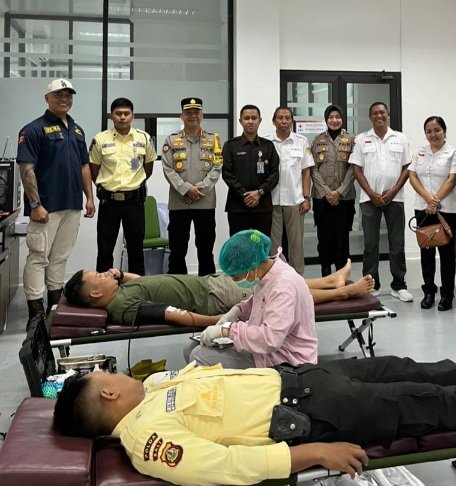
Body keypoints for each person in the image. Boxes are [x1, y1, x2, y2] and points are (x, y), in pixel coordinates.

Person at [53, 314, 456, 486]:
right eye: (108, 375)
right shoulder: (148, 438)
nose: (116, 373)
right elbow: (227, 466)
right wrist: (315, 454)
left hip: (302, 380)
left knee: (398, 366)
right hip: (312, 416)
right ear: (107, 394)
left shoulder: (152, 394)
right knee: (421, 403)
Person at [63, 257, 374, 328]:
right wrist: (217, 322)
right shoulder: (123, 307)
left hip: (210, 285)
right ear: (94, 295)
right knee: (279, 292)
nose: (104, 273)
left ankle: (330, 281)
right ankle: (342, 293)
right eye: (98, 277)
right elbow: (172, 315)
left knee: (274, 280)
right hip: (214, 299)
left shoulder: (121, 291)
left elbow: (146, 282)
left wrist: (120, 275)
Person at [17, 78, 95, 321]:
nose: (64, 99)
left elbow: (84, 166)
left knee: (60, 258)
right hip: (46, 207)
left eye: (68, 95)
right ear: (47, 98)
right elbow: (26, 168)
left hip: (71, 205)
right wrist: (35, 205)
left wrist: (89, 197)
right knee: (38, 257)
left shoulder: (77, 130)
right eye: (58, 95)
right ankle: (36, 312)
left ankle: (54, 307)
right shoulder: (33, 129)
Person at [187, 229, 317, 369]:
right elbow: (261, 302)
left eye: (236, 276)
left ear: (252, 267)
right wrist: (237, 310)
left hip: (286, 358)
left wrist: (227, 331)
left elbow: (270, 340)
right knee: (191, 347)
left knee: (198, 356)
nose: (233, 280)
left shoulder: (282, 287)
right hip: (268, 348)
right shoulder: (267, 274)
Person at [349, 102, 412, 302]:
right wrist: (371, 193)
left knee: (397, 243)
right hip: (369, 200)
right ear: (370, 117)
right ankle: (371, 285)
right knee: (370, 244)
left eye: (382, 112)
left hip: (395, 199)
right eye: (375, 113)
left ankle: (399, 285)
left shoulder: (400, 138)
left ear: (388, 114)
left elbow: (407, 168)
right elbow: (356, 169)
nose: (379, 116)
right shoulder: (361, 139)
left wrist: (392, 192)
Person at [90, 97, 156, 276]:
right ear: (111, 116)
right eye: (118, 113)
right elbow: (94, 170)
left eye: (126, 113)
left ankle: (137, 286)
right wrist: (108, 186)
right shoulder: (100, 139)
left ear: (133, 116)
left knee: (136, 249)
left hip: (134, 201)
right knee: (105, 249)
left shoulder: (143, 138)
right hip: (109, 202)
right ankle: (104, 286)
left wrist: (133, 183)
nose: (122, 117)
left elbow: (148, 168)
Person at [162, 97, 222, 276]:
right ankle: (179, 286)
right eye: (188, 112)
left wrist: (199, 189)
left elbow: (217, 167)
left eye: (196, 112)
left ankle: (207, 286)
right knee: (177, 250)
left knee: (205, 249)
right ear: (181, 116)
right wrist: (186, 189)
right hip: (179, 203)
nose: (193, 115)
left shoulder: (213, 139)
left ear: (202, 115)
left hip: (205, 202)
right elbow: (168, 169)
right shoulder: (171, 140)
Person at [408, 116, 456, 311]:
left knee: (447, 253)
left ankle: (447, 294)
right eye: (429, 131)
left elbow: (452, 179)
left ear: (444, 131)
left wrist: (435, 200)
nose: (433, 134)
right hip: (423, 209)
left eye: (437, 130)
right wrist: (428, 199)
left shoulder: (453, 153)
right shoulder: (418, 152)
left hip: (446, 210)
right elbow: (412, 176)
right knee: (427, 251)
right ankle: (429, 291)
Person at [263, 107, 314, 275]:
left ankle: (297, 277)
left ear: (292, 121)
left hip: (295, 200)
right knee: (273, 245)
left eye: (287, 118)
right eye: (280, 118)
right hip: (272, 200)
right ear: (274, 121)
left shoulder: (301, 141)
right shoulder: (265, 142)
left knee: (296, 244)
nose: (283, 121)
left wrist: (306, 197)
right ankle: (275, 277)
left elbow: (306, 172)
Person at [311, 104, 356, 277]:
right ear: (326, 120)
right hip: (321, 199)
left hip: (344, 198)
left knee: (342, 239)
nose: (334, 120)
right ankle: (326, 276)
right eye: (331, 117)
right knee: (324, 239)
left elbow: (354, 168)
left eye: (338, 117)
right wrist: (326, 192)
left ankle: (341, 277)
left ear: (342, 119)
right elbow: (313, 168)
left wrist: (339, 192)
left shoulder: (351, 140)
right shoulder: (317, 140)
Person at [222, 104, 280, 236]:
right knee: (238, 245)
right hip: (237, 206)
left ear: (260, 120)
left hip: (262, 206)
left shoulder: (268, 146)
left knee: (261, 244)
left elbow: (275, 174)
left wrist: (259, 193)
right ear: (240, 121)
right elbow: (227, 174)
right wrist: (245, 195)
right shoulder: (231, 146)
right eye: (246, 118)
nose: (250, 121)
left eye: (254, 118)